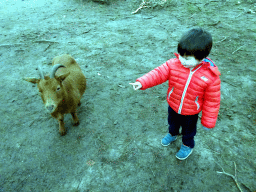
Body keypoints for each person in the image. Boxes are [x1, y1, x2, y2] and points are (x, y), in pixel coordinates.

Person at [129, 28, 221, 160]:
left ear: (202, 57)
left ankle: (187, 145)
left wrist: (208, 122)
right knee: (172, 123)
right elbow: (158, 73)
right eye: (181, 55)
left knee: (189, 131)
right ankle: (172, 134)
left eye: (187, 58)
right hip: (173, 104)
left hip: (191, 112)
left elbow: (212, 102)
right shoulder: (174, 64)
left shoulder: (211, 77)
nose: (182, 60)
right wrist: (142, 82)